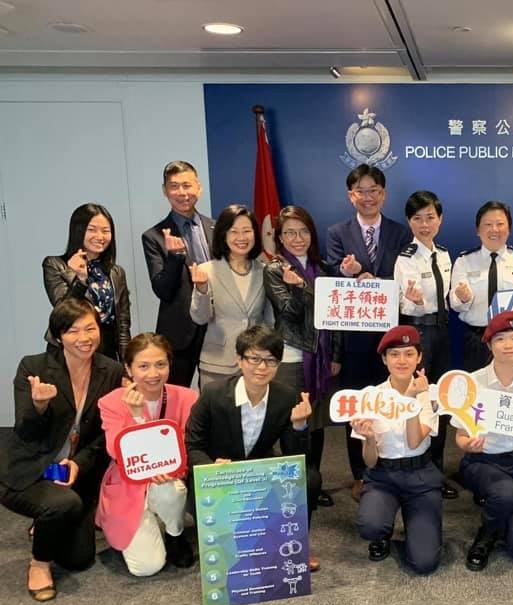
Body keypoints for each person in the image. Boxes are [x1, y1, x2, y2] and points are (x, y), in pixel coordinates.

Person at [0, 299, 124, 601]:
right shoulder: (34, 367)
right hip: (29, 469)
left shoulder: (111, 370)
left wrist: (79, 463)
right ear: (58, 336)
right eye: (73, 331)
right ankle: (38, 564)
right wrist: (39, 407)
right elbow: (25, 433)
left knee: (79, 559)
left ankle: (47, 520)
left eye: (90, 328)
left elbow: (102, 435)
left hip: (73, 471)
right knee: (62, 505)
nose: (84, 338)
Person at [184, 325, 321, 571]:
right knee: (227, 556)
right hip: (218, 474)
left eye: (270, 360)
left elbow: (295, 458)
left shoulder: (286, 397)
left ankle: (296, 545)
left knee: (309, 478)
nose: (262, 367)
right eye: (254, 359)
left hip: (257, 472)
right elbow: (193, 445)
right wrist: (211, 468)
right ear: (239, 360)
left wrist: (299, 426)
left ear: (278, 364)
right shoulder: (213, 394)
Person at [326, 163, 413, 501]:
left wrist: (376, 280)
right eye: (360, 191)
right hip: (355, 338)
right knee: (359, 405)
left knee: (392, 402)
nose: (367, 197)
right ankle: (360, 474)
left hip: (392, 338)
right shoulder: (337, 232)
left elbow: (406, 277)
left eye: (373, 190)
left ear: (383, 194)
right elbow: (332, 281)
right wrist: (347, 272)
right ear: (351, 196)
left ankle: (391, 468)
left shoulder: (400, 233)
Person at [96, 333, 197, 576]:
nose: (153, 373)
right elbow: (115, 451)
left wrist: (174, 471)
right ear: (128, 368)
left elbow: (190, 444)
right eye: (143, 366)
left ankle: (174, 534)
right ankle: (143, 521)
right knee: (146, 568)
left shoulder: (187, 397)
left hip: (168, 479)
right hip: (128, 484)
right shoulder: (111, 402)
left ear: (169, 365)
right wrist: (136, 416)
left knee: (171, 490)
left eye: (160, 364)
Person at [455, 311, 513, 571]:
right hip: (481, 462)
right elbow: (460, 437)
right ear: (489, 344)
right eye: (500, 339)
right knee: (505, 493)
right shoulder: (473, 381)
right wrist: (468, 444)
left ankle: (502, 514)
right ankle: (487, 533)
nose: (508, 345)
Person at [264, 205, 341, 507]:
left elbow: (335, 317)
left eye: (304, 231)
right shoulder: (275, 269)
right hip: (292, 358)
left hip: (321, 360)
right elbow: (289, 313)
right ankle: (294, 488)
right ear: (280, 237)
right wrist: (297, 289)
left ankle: (314, 480)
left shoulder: (323, 269)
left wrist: (335, 355)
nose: (298, 238)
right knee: (294, 425)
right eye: (290, 233)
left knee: (317, 424)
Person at [350, 326, 442, 574]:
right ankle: (383, 533)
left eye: (409, 354)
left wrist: (411, 400)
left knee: (424, 563)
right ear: (384, 359)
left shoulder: (430, 395)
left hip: (420, 476)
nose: (402, 361)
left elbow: (413, 442)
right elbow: (370, 462)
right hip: (383, 476)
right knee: (371, 526)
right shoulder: (370, 397)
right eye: (394, 354)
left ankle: (417, 530)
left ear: (419, 357)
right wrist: (369, 438)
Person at [393, 190, 458, 500]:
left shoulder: (444, 254)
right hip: (419, 333)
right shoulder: (404, 259)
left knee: (440, 400)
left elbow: (451, 297)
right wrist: (414, 302)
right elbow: (401, 303)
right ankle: (416, 467)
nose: (424, 224)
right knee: (419, 399)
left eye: (430, 217)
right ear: (410, 222)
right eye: (417, 218)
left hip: (444, 332)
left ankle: (437, 469)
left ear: (440, 219)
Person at [142, 160, 215, 386]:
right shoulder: (154, 236)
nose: (182, 193)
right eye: (174, 186)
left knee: (217, 396)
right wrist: (174, 257)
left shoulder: (217, 228)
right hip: (180, 333)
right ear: (165, 191)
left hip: (217, 328)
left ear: (198, 188)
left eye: (187, 185)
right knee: (174, 395)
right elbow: (162, 290)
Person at [450, 200, 513, 371]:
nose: (494, 229)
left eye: (500, 224)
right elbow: (455, 305)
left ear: (509, 228)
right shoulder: (464, 261)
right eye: (488, 224)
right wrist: (463, 299)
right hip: (477, 341)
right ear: (478, 230)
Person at [189, 204, 274, 389]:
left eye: (247, 231)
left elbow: (269, 321)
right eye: (234, 231)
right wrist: (202, 289)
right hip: (218, 364)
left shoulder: (264, 271)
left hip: (256, 365)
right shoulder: (207, 270)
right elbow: (200, 318)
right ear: (223, 235)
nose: (241, 237)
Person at [43, 203, 131, 361]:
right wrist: (80, 280)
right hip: (72, 348)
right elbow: (63, 312)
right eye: (92, 230)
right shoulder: (55, 265)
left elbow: (123, 323)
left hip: (107, 350)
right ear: (78, 231)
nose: (100, 236)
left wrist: (127, 361)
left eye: (106, 231)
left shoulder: (116, 272)